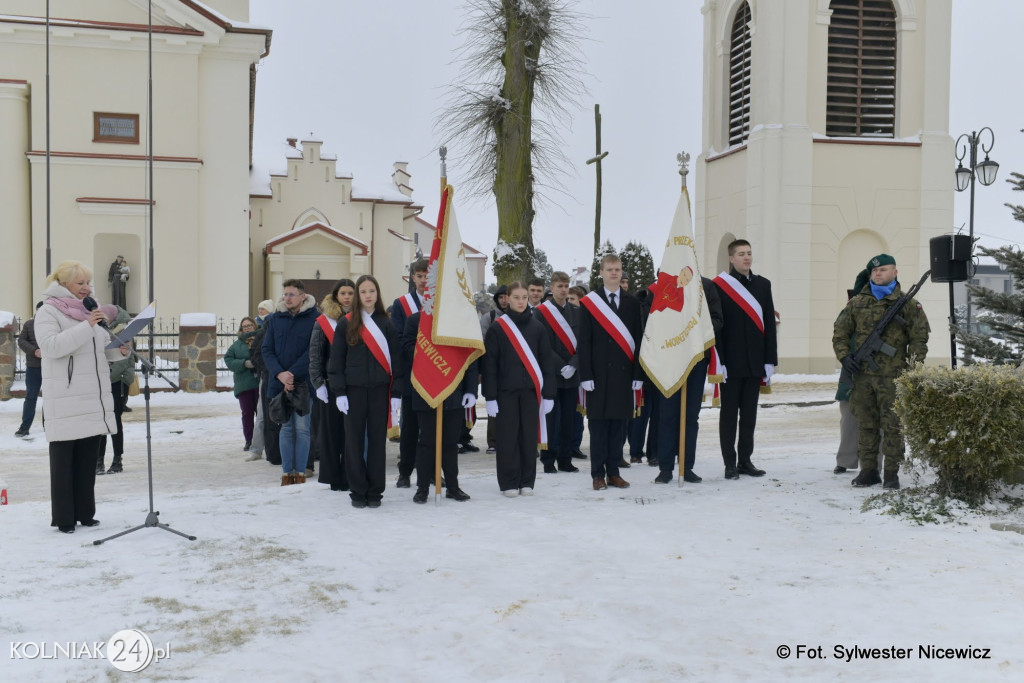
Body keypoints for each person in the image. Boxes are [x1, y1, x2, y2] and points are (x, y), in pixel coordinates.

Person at [35, 260, 121, 533]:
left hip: (91, 398)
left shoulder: (89, 311)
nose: (86, 288)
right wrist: (87, 326)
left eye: (88, 283)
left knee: (86, 459)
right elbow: (51, 347)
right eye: (80, 283)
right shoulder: (49, 312)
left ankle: (86, 512)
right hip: (66, 397)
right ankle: (64, 518)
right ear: (63, 285)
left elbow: (101, 348)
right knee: (64, 463)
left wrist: (120, 349)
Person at [833, 254, 929, 490]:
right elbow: (840, 332)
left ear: (894, 273)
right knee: (866, 424)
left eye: (883, 270)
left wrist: (912, 368)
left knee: (893, 426)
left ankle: (891, 473)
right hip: (863, 376)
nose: (878, 274)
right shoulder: (858, 302)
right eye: (875, 271)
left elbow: (919, 338)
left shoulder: (907, 304)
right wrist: (845, 357)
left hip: (894, 377)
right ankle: (868, 471)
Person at [328, 275, 402, 508]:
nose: (368, 295)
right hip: (353, 392)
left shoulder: (387, 323)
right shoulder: (346, 323)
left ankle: (375, 492)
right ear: (358, 296)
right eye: (364, 291)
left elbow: (398, 362)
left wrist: (397, 394)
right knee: (354, 443)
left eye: (372, 291)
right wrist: (339, 392)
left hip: (380, 391)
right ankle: (358, 491)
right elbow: (336, 362)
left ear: (377, 294)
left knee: (378, 443)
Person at [483, 281, 557, 496]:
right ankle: (508, 482)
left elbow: (547, 363)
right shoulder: (498, 328)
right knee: (507, 439)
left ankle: (527, 481)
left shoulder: (537, 327)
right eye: (516, 297)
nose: (521, 301)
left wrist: (549, 393)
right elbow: (490, 365)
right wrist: (490, 396)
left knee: (527, 438)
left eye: (524, 297)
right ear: (507, 299)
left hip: (531, 393)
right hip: (505, 393)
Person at [577, 254, 644, 491]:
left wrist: (638, 375)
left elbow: (638, 340)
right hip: (597, 376)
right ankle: (598, 474)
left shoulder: (632, 303)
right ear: (601, 272)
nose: (614, 273)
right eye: (609, 269)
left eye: (617, 269)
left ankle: (614, 472)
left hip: (624, 376)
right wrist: (585, 375)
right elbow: (583, 341)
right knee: (598, 427)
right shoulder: (590, 302)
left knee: (618, 427)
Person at [713, 239, 777, 480]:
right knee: (729, 415)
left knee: (749, 415)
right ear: (731, 258)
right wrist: (718, 360)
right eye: (741, 254)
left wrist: (770, 359)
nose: (746, 258)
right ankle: (729, 463)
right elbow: (717, 327)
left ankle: (745, 460)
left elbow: (769, 323)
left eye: (749, 253)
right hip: (730, 363)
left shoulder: (763, 284)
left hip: (755, 362)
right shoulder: (720, 285)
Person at [655, 276, 725, 484]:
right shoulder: (665, 283)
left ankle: (687, 466)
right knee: (667, 415)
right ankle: (665, 468)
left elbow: (717, 319)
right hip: (670, 357)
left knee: (690, 416)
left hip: (696, 357)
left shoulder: (707, 286)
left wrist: (693, 331)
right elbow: (655, 319)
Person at [402, 311, 475, 503]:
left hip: (453, 390)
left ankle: (453, 486)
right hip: (425, 389)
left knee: (450, 444)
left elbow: (470, 354)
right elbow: (406, 350)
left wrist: (471, 389)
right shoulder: (415, 320)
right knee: (426, 442)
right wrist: (431, 352)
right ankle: (423, 488)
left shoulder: (457, 318)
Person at [262, 279, 319, 486]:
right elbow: (266, 349)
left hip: (304, 383)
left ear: (302, 296)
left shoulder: (315, 318)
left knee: (303, 429)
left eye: (291, 294)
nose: (287, 298)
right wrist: (279, 374)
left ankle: (301, 472)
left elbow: (313, 351)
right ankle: (287, 473)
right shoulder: (276, 318)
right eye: (285, 294)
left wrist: (291, 374)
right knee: (285, 428)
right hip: (279, 383)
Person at [310, 279, 354, 492]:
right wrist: (318, 383)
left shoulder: (362, 319)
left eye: (350, 293)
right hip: (329, 387)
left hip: (354, 385)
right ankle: (332, 476)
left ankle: (349, 474)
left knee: (350, 434)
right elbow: (315, 355)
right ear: (336, 295)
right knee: (331, 433)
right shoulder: (323, 322)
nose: (347, 297)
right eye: (343, 293)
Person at [536, 271, 581, 474]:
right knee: (551, 418)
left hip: (572, 374)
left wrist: (573, 364)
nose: (563, 290)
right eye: (560, 286)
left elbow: (583, 342)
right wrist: (559, 365)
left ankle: (565, 459)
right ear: (551, 287)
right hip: (551, 375)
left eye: (566, 286)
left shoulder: (577, 311)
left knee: (568, 419)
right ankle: (548, 460)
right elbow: (541, 345)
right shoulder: (540, 312)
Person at [392, 259, 428, 488]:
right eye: (420, 276)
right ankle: (405, 472)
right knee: (409, 429)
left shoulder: (443, 303)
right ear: (412, 278)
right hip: (410, 375)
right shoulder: (401, 304)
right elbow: (397, 338)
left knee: (432, 429)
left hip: (437, 375)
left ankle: (433, 471)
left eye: (428, 276)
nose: (424, 280)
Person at [97, 307, 135, 475]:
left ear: (112, 317)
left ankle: (117, 459)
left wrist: (106, 375)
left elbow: (123, 360)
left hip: (117, 383)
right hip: (101, 383)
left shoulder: (123, 331)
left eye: (105, 316)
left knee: (114, 422)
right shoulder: (99, 329)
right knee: (100, 423)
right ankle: (99, 461)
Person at [224, 317, 260, 452]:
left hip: (260, 382)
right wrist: (243, 363)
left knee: (262, 414)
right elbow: (228, 359)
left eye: (250, 325)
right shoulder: (237, 345)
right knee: (247, 414)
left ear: (255, 326)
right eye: (244, 326)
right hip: (244, 384)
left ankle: (265, 440)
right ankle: (249, 440)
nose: (247, 328)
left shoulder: (261, 339)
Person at [482, 284, 510, 453]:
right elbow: (483, 341)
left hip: (512, 369)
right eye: (501, 297)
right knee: (493, 405)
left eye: (507, 296)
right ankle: (493, 441)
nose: (504, 300)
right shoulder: (489, 317)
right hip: (493, 368)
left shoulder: (520, 316)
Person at [15, 302, 43, 438]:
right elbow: (21, 341)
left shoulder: (55, 324)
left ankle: (49, 426)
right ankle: (24, 427)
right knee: (31, 397)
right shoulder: (29, 324)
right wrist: (34, 351)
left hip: (52, 367)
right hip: (34, 367)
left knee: (51, 398)